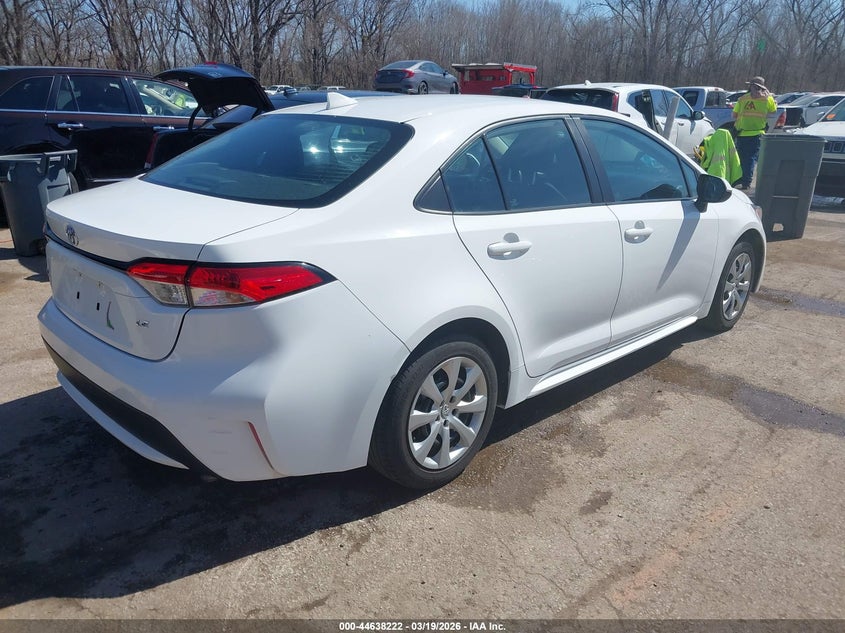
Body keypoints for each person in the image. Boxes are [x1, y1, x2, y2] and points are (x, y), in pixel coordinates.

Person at [732, 76, 777, 190]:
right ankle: (746, 181)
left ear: (751, 86)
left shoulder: (743, 99)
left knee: (741, 158)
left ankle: (741, 178)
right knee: (751, 158)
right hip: (757, 133)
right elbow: (773, 110)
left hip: (742, 133)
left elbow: (734, 115)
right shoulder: (767, 99)